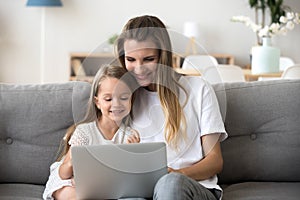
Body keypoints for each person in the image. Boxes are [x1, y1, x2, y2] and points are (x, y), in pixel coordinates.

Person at [116, 15, 227, 200]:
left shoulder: (198, 89)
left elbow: (215, 160)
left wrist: (178, 173)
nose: (139, 68)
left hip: (191, 186)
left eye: (148, 59)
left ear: (163, 56)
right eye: (131, 59)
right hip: (143, 190)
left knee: (170, 183)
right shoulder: (123, 99)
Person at [43, 65, 140, 200]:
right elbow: (63, 174)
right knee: (77, 195)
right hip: (71, 181)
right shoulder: (84, 132)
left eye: (123, 98)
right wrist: (73, 162)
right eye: (108, 99)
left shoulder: (130, 136)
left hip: (106, 185)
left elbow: (131, 177)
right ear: (97, 102)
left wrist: (133, 155)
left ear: (131, 99)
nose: (116, 104)